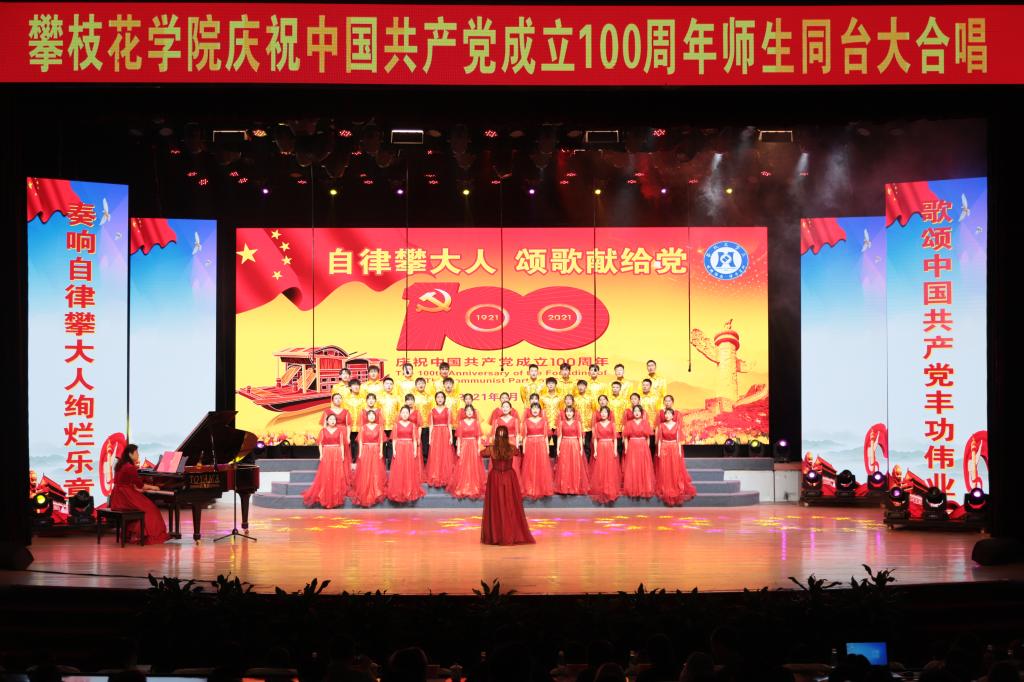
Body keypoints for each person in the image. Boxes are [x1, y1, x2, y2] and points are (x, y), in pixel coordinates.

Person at [481, 425, 535, 545]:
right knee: (507, 505)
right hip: (506, 477)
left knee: (500, 505)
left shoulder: (492, 449)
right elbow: (517, 452)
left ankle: (497, 535)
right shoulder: (511, 448)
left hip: (498, 478)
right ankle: (505, 534)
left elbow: (481, 453)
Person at [109, 444, 171, 543]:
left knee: (145, 507)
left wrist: (138, 489)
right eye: (136, 452)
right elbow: (140, 485)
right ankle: (150, 534)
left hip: (117, 496)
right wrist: (153, 487)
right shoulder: (130, 467)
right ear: (130, 454)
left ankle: (136, 533)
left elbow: (129, 483)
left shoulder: (120, 465)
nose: (138, 455)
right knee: (151, 509)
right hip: (125, 496)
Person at [302, 414, 349, 509]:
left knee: (336, 474)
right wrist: (321, 454)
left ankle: (335, 498)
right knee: (326, 474)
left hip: (337, 453)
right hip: (327, 453)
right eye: (330, 419)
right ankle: (326, 497)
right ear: (327, 421)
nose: (332, 421)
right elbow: (320, 443)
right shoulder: (323, 431)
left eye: (334, 419)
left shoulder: (339, 431)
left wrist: (342, 455)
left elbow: (341, 444)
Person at [654, 408, 697, 506]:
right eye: (666, 414)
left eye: (669, 413)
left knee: (674, 469)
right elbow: (660, 440)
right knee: (665, 469)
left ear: (673, 415)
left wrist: (679, 452)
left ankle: (675, 487)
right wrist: (659, 451)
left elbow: (678, 440)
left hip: (674, 448)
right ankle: (665, 487)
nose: (667, 415)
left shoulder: (677, 425)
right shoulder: (661, 425)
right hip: (664, 448)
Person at [387, 406, 425, 503]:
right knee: (399, 468)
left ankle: (409, 490)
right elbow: (394, 439)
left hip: (409, 447)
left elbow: (414, 439)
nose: (404, 414)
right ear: (400, 414)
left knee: (408, 468)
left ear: (409, 414)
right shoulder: (396, 425)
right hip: (399, 447)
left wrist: (415, 450)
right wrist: (394, 450)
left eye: (406, 413)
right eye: (403, 412)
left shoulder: (412, 425)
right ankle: (399, 491)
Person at [448, 405, 486, 499]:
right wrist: (458, 449)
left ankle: (474, 487)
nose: (469, 412)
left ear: (473, 412)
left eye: (471, 411)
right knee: (463, 465)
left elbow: (478, 437)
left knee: (473, 466)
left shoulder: (476, 423)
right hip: (464, 445)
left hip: (473, 445)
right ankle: (463, 487)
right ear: (465, 412)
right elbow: (459, 437)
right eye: (467, 410)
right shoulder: (461, 423)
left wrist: (478, 448)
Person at [351, 411, 386, 507]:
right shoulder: (363, 427)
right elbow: (360, 441)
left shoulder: (379, 427)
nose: (371, 417)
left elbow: (381, 441)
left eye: (373, 415)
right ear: (367, 417)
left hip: (375, 450)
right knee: (365, 471)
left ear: (375, 417)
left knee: (375, 470)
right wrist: (360, 452)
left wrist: (381, 452)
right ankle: (365, 491)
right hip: (366, 450)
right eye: (369, 415)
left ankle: (376, 491)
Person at [519, 402, 554, 499]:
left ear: (540, 410)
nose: (535, 410)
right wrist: (524, 448)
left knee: (541, 466)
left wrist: (547, 448)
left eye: (537, 408)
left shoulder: (544, 421)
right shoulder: (526, 421)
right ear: (530, 410)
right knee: (530, 466)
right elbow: (525, 436)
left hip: (541, 444)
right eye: (533, 408)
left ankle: (542, 488)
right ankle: (530, 488)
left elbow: (545, 436)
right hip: (530, 444)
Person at [589, 406, 621, 504]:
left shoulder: (612, 424)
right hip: (600, 446)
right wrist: (595, 451)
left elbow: (615, 439)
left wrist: (615, 450)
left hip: (610, 446)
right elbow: (595, 439)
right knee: (601, 468)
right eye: (602, 412)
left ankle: (609, 489)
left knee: (610, 468)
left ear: (608, 414)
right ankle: (601, 489)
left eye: (605, 412)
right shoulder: (597, 425)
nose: (603, 414)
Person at [554, 405, 589, 495]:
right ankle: (565, 487)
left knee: (574, 465)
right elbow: (559, 437)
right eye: (567, 411)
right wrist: (558, 448)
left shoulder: (578, 423)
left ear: (574, 413)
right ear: (565, 413)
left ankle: (575, 487)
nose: (569, 413)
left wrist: (581, 449)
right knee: (564, 465)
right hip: (564, 444)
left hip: (575, 445)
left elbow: (580, 437)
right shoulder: (561, 423)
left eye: (570, 411)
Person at [622, 405, 655, 498]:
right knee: (633, 466)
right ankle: (633, 487)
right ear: (633, 412)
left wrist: (647, 448)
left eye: (638, 411)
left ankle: (644, 487)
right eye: (635, 411)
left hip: (643, 446)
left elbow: (648, 437)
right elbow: (625, 437)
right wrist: (626, 448)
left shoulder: (645, 423)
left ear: (641, 413)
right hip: (632, 446)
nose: (636, 413)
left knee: (643, 466)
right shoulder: (629, 423)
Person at [425, 392, 455, 488]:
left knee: (445, 454)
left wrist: (451, 437)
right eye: (438, 397)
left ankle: (446, 477)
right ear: (435, 399)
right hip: (436, 433)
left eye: (442, 397)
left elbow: (449, 424)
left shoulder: (448, 410)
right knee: (436, 454)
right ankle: (435, 476)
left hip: (445, 433)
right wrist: (430, 438)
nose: (440, 399)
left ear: (444, 399)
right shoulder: (432, 411)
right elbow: (431, 425)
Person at [377, 377, 400, 468]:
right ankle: (381, 465)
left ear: (393, 386)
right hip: (381, 426)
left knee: (392, 445)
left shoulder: (397, 398)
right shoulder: (378, 398)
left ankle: (391, 465)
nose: (389, 386)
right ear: (383, 385)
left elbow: (399, 412)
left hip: (393, 425)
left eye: (390, 384)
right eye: (386, 384)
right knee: (381, 445)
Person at [539, 377, 563, 457]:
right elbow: (540, 411)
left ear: (555, 385)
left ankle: (557, 463)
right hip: (547, 424)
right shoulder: (542, 398)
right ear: (546, 385)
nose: (551, 385)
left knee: (557, 446)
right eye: (549, 383)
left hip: (557, 424)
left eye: (552, 383)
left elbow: (562, 410)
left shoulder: (560, 397)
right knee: (546, 446)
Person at [343, 379, 365, 462]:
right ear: (350, 387)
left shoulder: (363, 399)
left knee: (360, 444)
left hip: (361, 426)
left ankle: (360, 461)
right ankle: (351, 461)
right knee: (350, 444)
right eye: (354, 385)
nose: (356, 387)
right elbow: (344, 413)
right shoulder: (345, 400)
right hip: (350, 426)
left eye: (358, 385)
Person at [412, 377, 432, 463]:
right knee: (415, 446)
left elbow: (432, 411)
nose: (421, 385)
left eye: (422, 383)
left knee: (425, 447)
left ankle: (425, 465)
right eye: (419, 383)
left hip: (426, 425)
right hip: (415, 426)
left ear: (425, 385)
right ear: (416, 385)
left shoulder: (429, 397)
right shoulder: (412, 397)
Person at [607, 382, 629, 456]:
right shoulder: (608, 400)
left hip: (621, 427)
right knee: (611, 447)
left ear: (620, 389)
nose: (615, 389)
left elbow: (626, 415)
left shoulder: (624, 401)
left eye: (617, 387)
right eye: (613, 387)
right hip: (610, 427)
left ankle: (619, 462)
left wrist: (625, 426)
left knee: (620, 447)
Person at [575, 379, 594, 460]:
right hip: (577, 426)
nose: (581, 387)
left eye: (583, 385)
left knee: (587, 446)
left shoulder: (591, 398)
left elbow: (594, 411)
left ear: (586, 387)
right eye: (579, 385)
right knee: (577, 446)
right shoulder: (575, 399)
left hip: (588, 426)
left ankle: (587, 464)